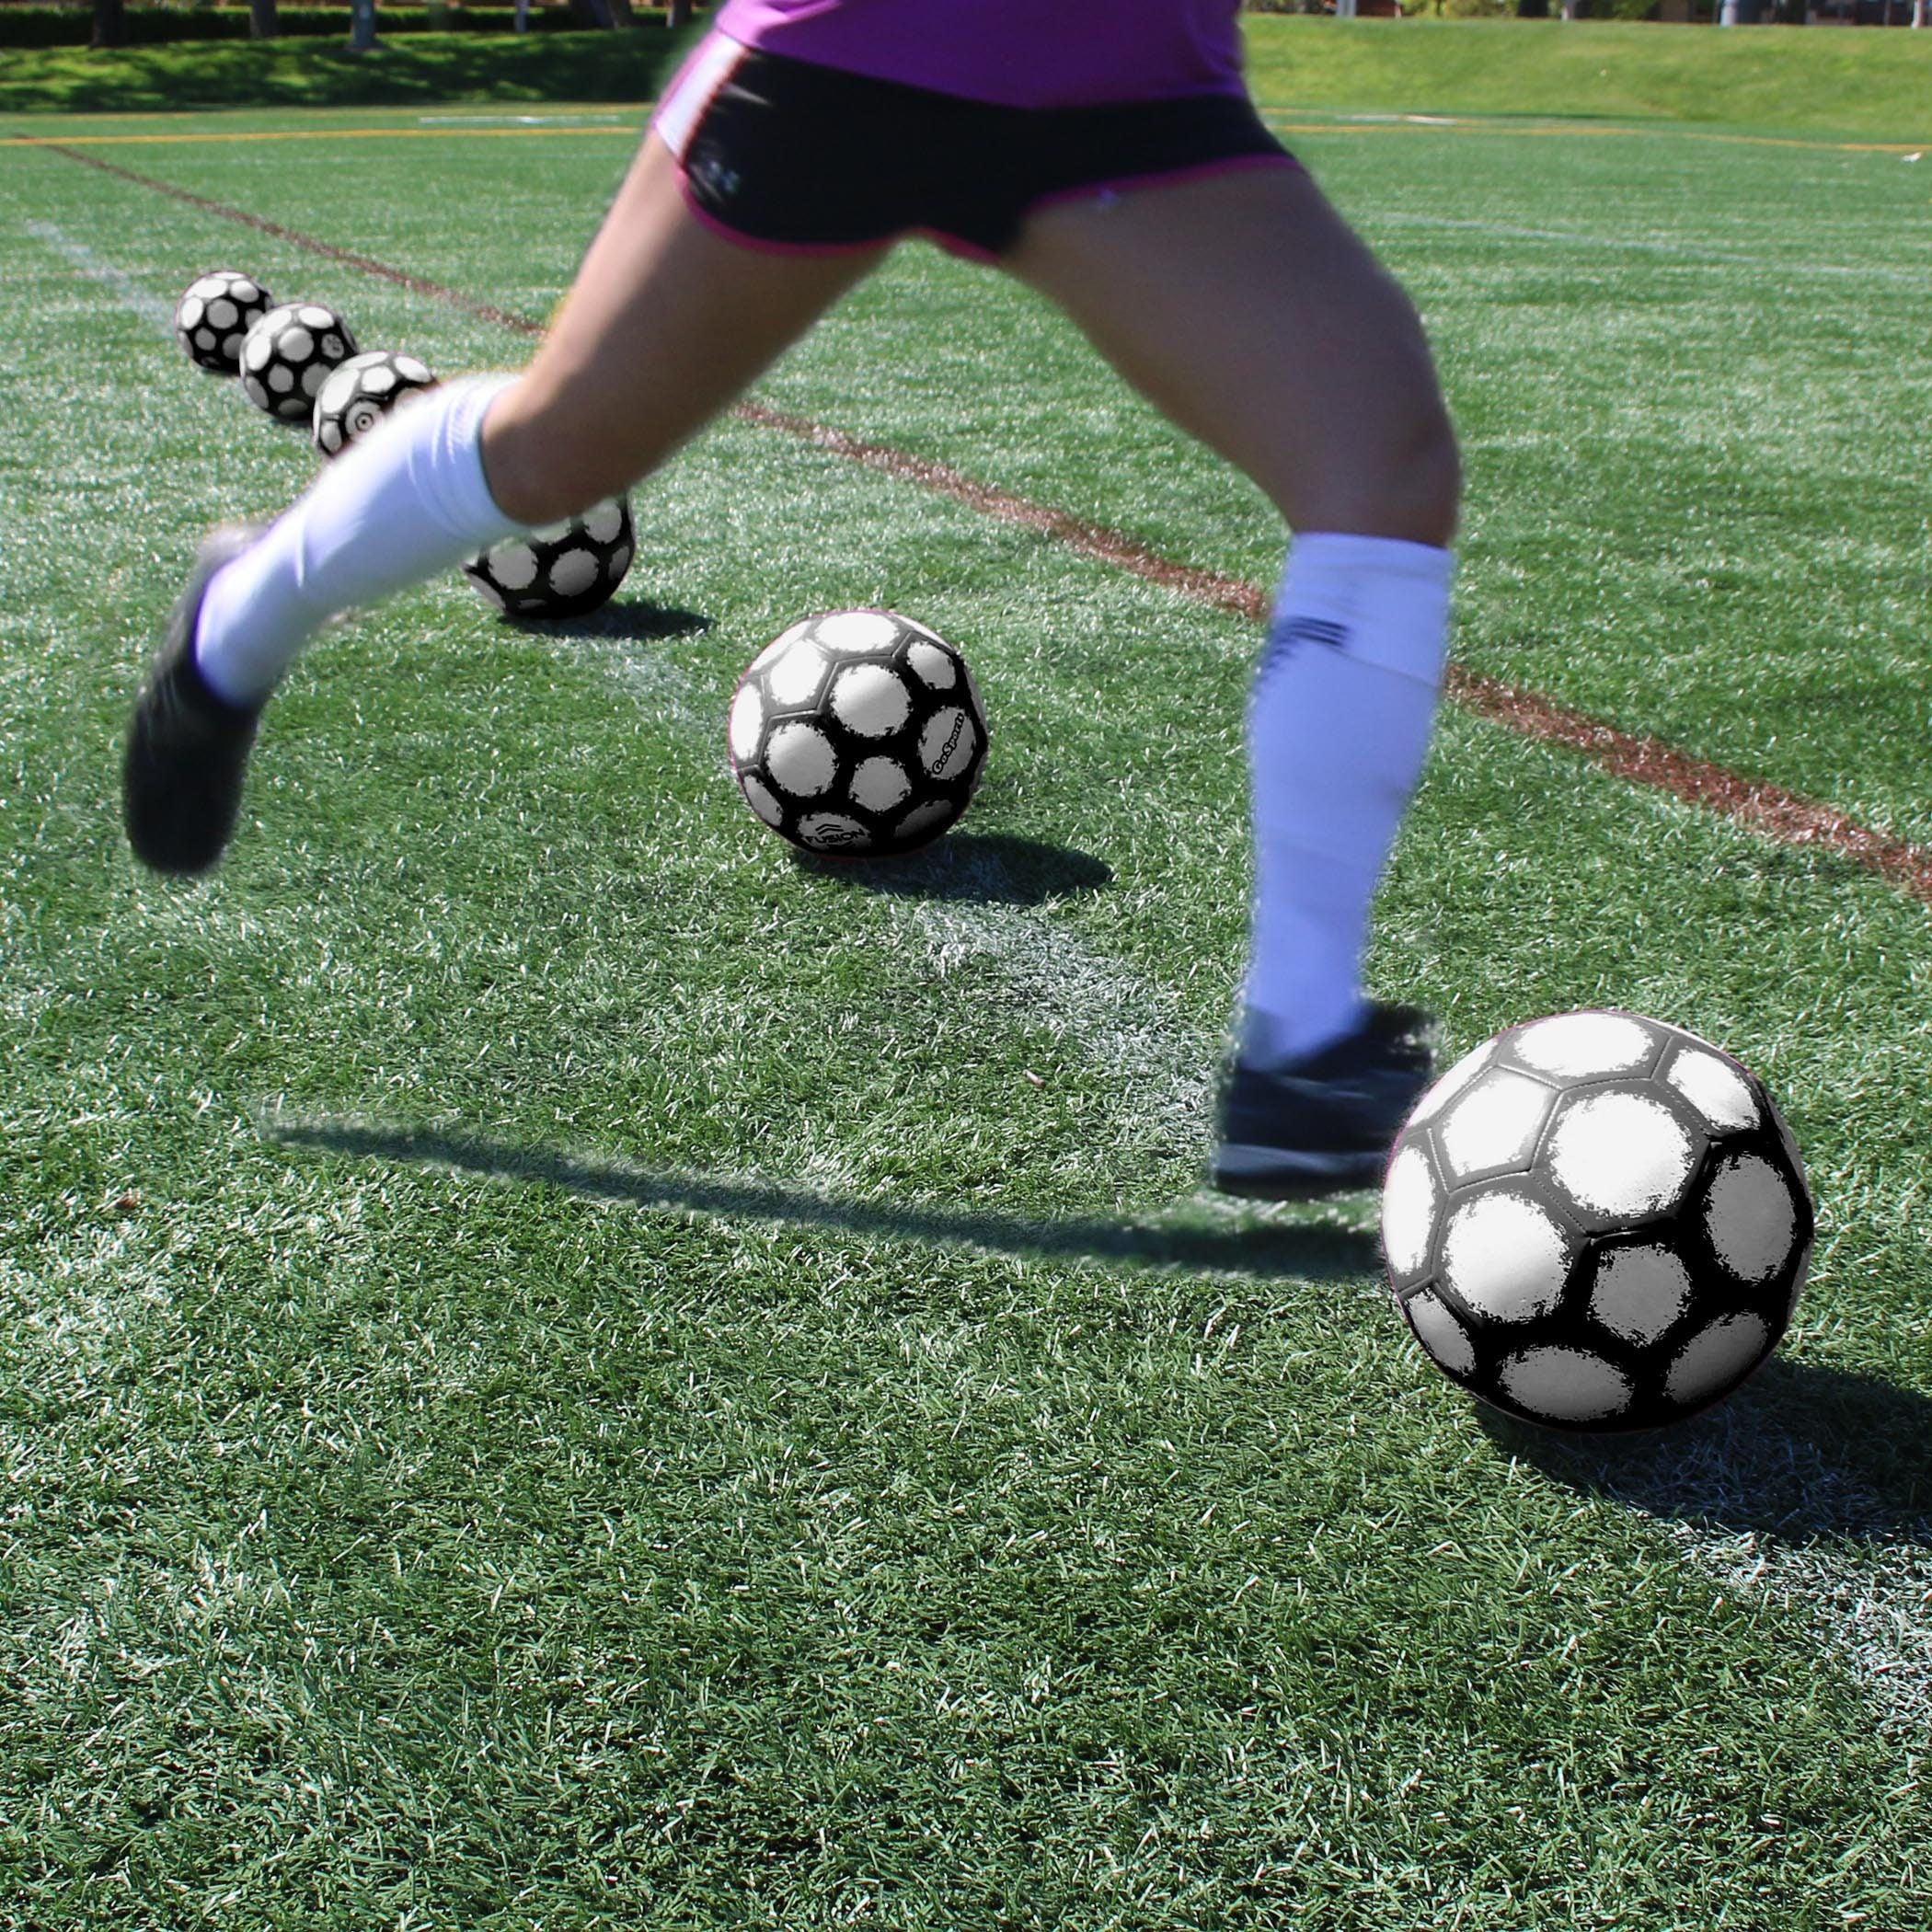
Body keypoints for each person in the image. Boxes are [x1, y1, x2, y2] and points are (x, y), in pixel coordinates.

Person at [121, 0, 1462, 1199]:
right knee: (557, 447)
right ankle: (242, 615)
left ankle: (1300, 1052)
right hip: (860, 46)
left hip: (1121, 61)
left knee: (1383, 468)